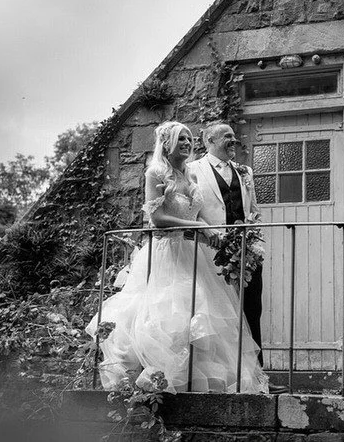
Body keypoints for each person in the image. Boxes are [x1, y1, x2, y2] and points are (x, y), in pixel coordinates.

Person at [86, 121, 268, 394]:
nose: (186, 143)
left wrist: (214, 233)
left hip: (196, 252)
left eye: (188, 139)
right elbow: (156, 218)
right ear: (166, 142)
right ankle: (161, 378)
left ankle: (195, 381)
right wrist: (201, 228)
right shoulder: (155, 172)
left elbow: (200, 213)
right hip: (166, 253)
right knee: (169, 313)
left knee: (204, 316)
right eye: (181, 139)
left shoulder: (189, 175)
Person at [186, 122, 265, 364]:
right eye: (226, 136)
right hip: (209, 254)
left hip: (246, 252)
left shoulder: (245, 172)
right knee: (217, 314)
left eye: (234, 135)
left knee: (252, 310)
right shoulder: (192, 170)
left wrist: (253, 234)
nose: (233, 140)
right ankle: (221, 373)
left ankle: (257, 375)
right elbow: (191, 212)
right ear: (209, 141)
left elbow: (253, 210)